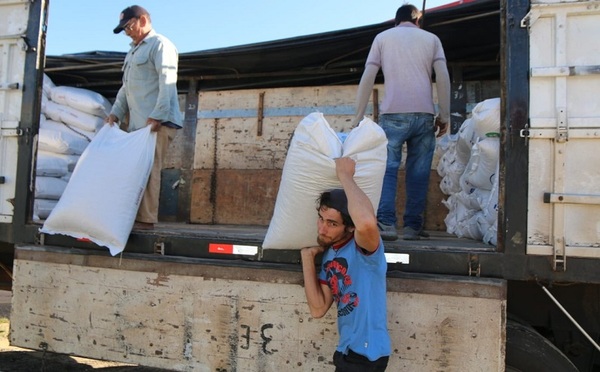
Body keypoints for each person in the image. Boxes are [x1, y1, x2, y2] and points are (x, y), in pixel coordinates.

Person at [352, 4, 451, 241]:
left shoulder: (382, 38)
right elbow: (443, 75)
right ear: (418, 20)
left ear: (396, 20)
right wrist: (445, 115)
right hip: (425, 115)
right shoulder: (432, 39)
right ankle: (412, 228)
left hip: (393, 115)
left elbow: (368, 74)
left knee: (388, 170)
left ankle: (386, 223)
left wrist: (358, 116)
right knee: (418, 172)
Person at [301, 157, 391, 371]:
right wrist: (307, 259)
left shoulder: (364, 250)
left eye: (332, 223)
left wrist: (345, 176)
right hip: (345, 351)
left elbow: (367, 222)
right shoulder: (330, 254)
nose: (322, 229)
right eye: (321, 219)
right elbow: (318, 308)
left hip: (367, 354)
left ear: (350, 227)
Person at [106, 5, 183, 230]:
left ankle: (146, 221)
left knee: (149, 172)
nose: (127, 32)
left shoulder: (160, 45)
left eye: (129, 26)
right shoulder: (133, 51)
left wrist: (157, 116)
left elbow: (167, 81)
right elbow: (126, 88)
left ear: (143, 20)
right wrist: (115, 113)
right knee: (136, 171)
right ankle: (133, 216)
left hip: (156, 123)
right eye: (124, 29)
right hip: (140, 124)